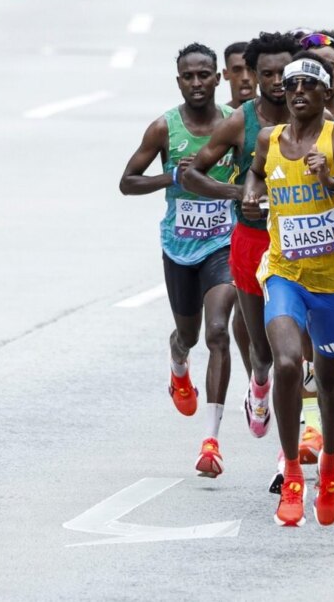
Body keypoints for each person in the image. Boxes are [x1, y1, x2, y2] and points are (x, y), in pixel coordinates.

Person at [241, 54, 334, 527]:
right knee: (286, 362)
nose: (298, 91)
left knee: (330, 380)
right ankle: (291, 470)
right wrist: (249, 191)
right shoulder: (269, 139)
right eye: (291, 85)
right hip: (284, 272)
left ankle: (329, 459)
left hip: (333, 283)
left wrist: (333, 182)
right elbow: (257, 171)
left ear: (327, 94)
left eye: (309, 85)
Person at [119, 43, 236, 479]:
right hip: (179, 247)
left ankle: (211, 441)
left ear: (217, 78)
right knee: (188, 334)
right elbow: (127, 182)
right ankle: (178, 360)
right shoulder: (164, 128)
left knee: (218, 331)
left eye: (204, 74)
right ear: (179, 81)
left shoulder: (233, 124)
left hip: (223, 243)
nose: (197, 83)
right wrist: (172, 176)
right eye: (188, 76)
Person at [183, 32, 298, 453]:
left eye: (283, 73)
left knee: (299, 350)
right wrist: (238, 194)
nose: (276, 81)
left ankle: (304, 436)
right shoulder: (240, 121)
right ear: (253, 74)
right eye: (265, 73)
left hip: (303, 245)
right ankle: (260, 383)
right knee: (264, 351)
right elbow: (192, 173)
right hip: (252, 241)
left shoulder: (314, 118)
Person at [221, 42, 252, 108]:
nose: (245, 78)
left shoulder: (277, 113)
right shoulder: (221, 117)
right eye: (237, 70)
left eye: (251, 69)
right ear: (225, 74)